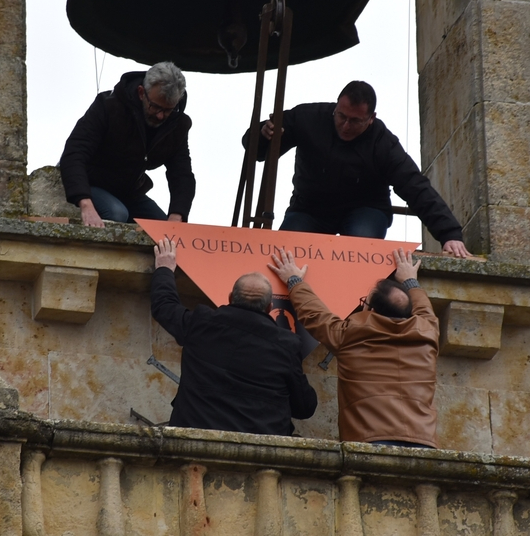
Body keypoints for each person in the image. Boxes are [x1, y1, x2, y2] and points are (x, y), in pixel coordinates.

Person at [245, 80, 471, 257]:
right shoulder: (307, 118)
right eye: (341, 116)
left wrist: (449, 234)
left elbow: (415, 186)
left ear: (371, 118)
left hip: (365, 210)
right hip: (309, 209)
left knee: (361, 254)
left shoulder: (383, 144)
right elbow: (257, 150)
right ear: (335, 107)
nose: (345, 125)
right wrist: (263, 134)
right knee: (284, 254)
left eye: (355, 121)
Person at [269, 247, 439, 447]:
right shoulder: (428, 332)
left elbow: (315, 315)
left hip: (370, 441)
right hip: (423, 443)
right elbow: (424, 310)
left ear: (371, 310)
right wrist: (411, 281)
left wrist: (294, 281)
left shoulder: (349, 335)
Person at [150, 237, 318, 435]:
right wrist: (295, 281)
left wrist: (164, 268)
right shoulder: (287, 344)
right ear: (270, 307)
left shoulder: (202, 323)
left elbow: (164, 306)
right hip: (259, 450)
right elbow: (304, 408)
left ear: (231, 297)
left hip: (195, 440)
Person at [60, 62, 195, 227]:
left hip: (130, 193)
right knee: (117, 213)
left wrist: (177, 215)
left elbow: (182, 174)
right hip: (90, 184)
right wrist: (85, 202)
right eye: (155, 107)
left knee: (163, 230)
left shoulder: (177, 125)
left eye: (168, 110)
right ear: (141, 93)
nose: (160, 116)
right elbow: (75, 152)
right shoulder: (108, 105)